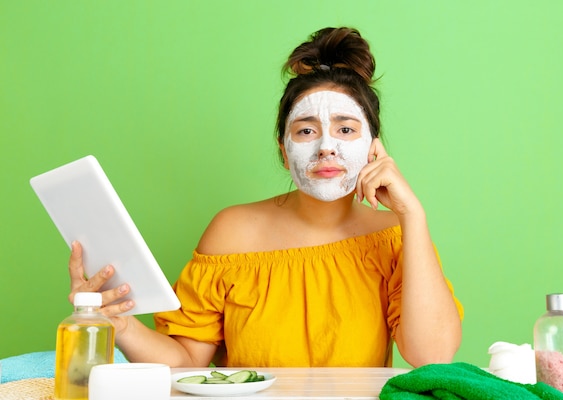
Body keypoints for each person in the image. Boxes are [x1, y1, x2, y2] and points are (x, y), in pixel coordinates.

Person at [68, 27, 463, 368]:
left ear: (374, 147)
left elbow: (432, 356)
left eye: (345, 129)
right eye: (306, 131)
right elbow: (185, 363)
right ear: (283, 149)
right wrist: (118, 324)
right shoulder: (232, 231)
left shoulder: (393, 234)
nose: (326, 147)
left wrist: (413, 216)